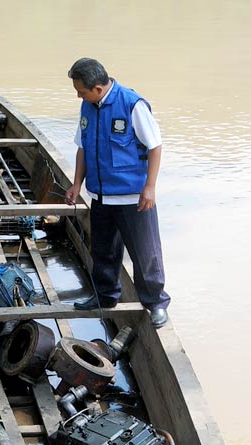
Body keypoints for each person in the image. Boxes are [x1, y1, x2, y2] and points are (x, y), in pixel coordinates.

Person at [64, 57, 171, 328]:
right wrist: (77, 184)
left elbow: (155, 146)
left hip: (133, 199)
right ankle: (106, 297)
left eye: (81, 90)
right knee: (103, 252)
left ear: (98, 88)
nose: (78, 95)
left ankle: (155, 303)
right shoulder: (87, 107)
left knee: (145, 255)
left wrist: (150, 187)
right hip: (101, 196)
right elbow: (83, 148)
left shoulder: (132, 105)